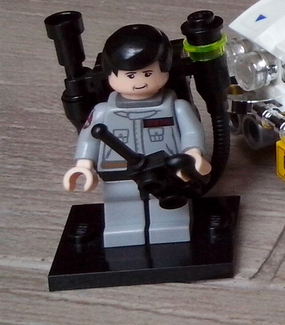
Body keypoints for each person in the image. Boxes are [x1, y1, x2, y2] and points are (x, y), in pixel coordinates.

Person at [62, 25, 209, 248]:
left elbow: (191, 131)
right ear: (109, 75)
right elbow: (89, 137)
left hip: (166, 172)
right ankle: (122, 234)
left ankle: (170, 232)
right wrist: (83, 165)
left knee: (169, 209)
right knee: (121, 207)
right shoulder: (102, 111)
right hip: (118, 171)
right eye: (130, 75)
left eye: (148, 74)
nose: (138, 81)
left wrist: (193, 154)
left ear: (165, 70)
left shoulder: (176, 106)